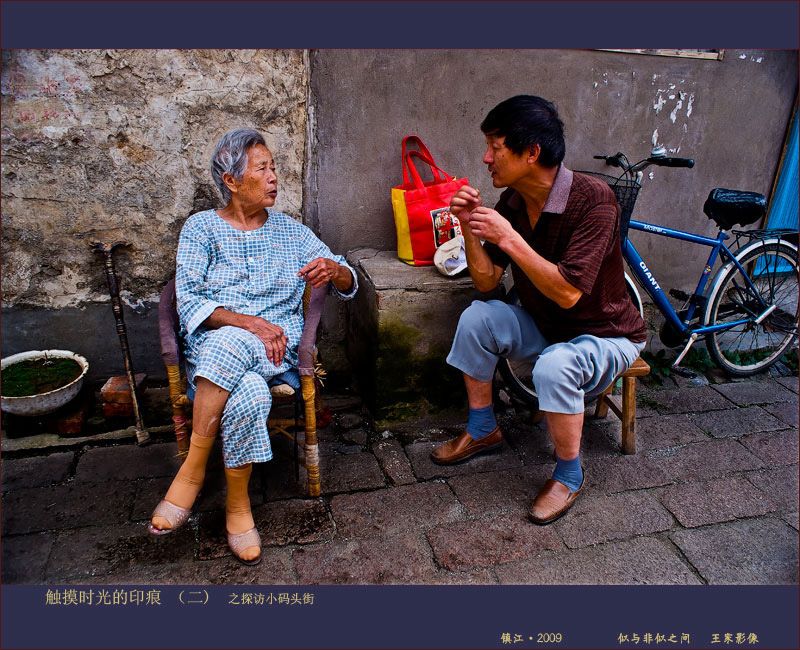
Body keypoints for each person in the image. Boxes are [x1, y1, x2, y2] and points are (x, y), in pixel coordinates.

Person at [430, 96, 647, 524]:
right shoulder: (513, 201)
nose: (486, 158)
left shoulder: (595, 200)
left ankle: (569, 475)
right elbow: (487, 282)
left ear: (531, 153)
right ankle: (483, 429)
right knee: (477, 318)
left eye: (496, 147)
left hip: (606, 334)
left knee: (555, 365)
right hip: (548, 325)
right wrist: (470, 228)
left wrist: (509, 238)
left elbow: (568, 293)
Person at [148, 128, 357, 565]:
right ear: (231, 180)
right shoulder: (201, 228)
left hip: (276, 351)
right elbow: (189, 301)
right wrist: (250, 323)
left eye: (273, 167)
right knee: (249, 392)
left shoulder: (292, 233)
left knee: (236, 345)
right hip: (215, 350)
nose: (274, 177)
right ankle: (238, 507)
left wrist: (333, 270)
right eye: (262, 169)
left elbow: (347, 279)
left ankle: (191, 472)